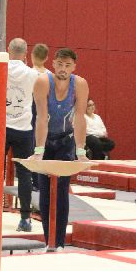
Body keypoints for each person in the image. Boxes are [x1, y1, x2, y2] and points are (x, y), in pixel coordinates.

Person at [0, 37, 49, 233]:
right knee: (24, 174)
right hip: (24, 130)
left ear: (8, 50)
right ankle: (25, 219)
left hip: (1, 129)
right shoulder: (33, 74)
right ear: (26, 53)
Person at [33, 47, 89, 250]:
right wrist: (39, 151)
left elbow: (80, 117)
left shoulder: (79, 84)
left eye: (67, 65)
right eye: (60, 64)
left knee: (62, 190)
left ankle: (60, 242)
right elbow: (41, 117)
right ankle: (49, 240)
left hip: (66, 141)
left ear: (74, 67)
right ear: (53, 64)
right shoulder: (43, 81)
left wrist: (80, 151)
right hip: (45, 140)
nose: (63, 69)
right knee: (45, 191)